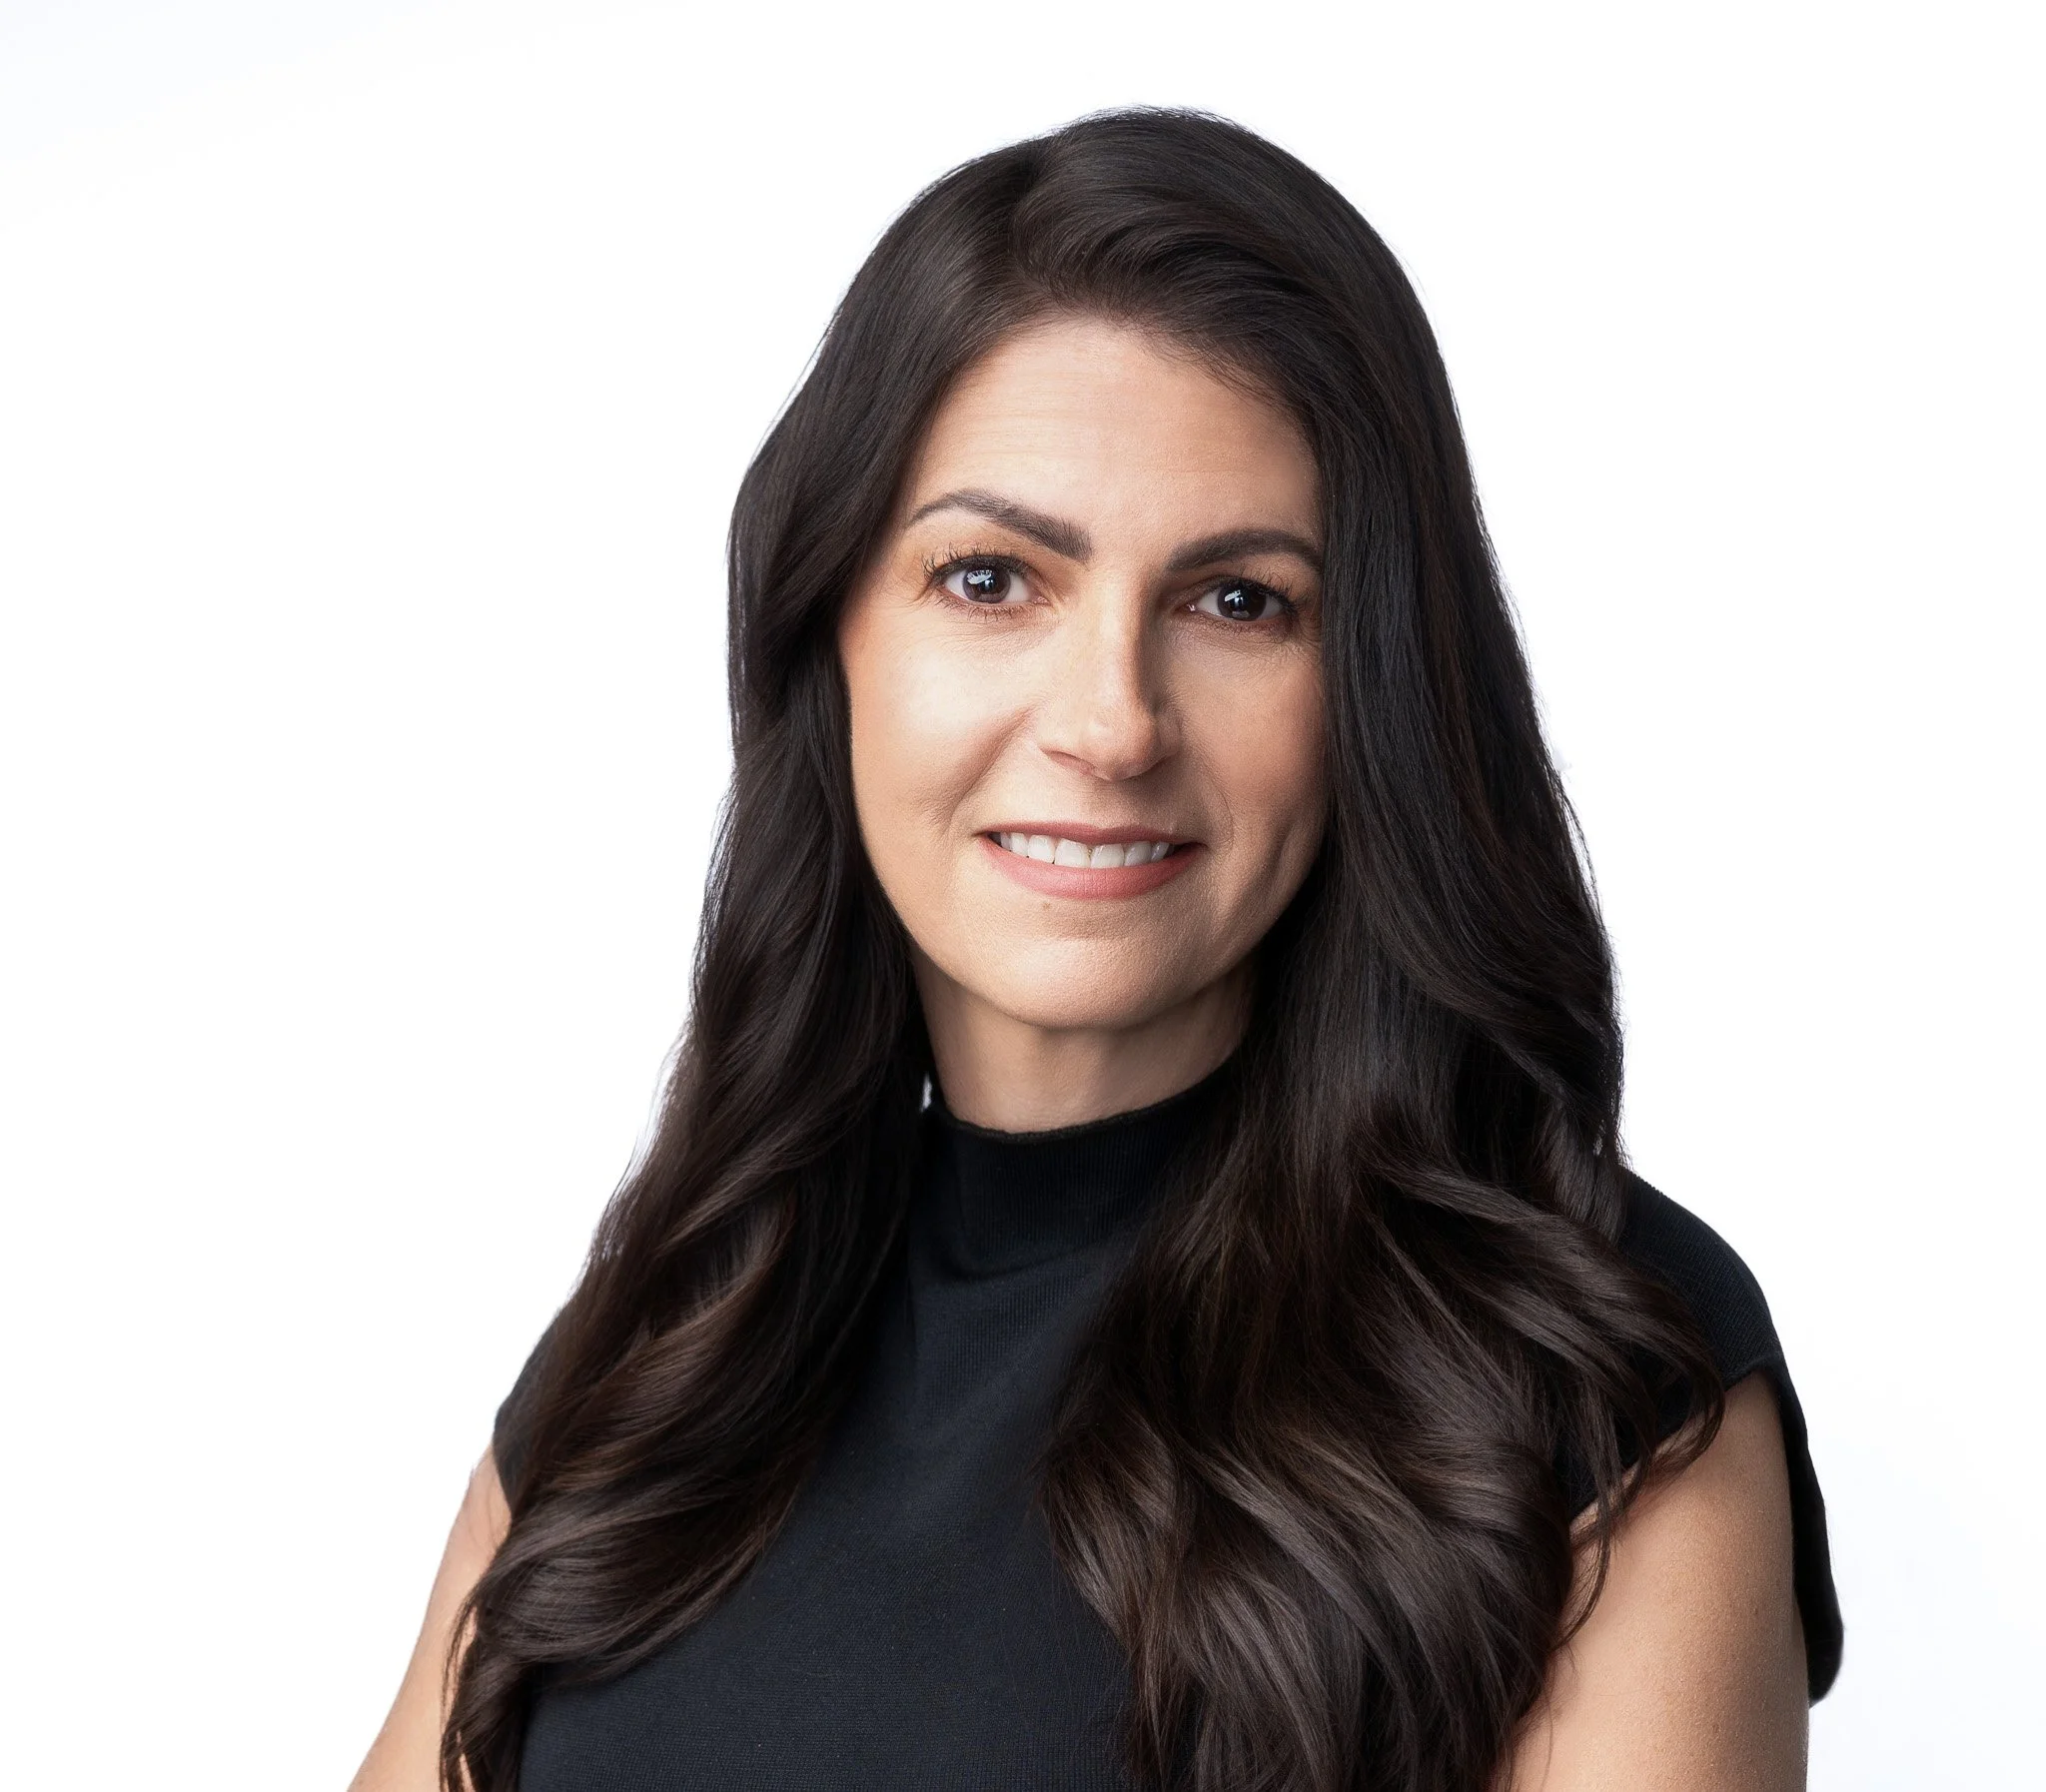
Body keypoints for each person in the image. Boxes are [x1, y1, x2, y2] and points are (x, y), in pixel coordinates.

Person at [353, 109, 1840, 1792]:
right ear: (829, 637)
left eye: (1238, 602)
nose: (1112, 722)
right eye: (992, 578)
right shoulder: (666, 1351)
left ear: (1374, 694)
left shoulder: (1597, 1375)